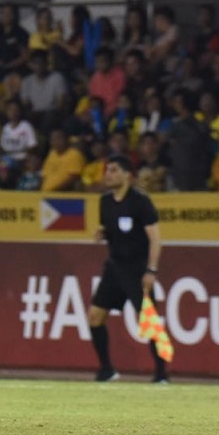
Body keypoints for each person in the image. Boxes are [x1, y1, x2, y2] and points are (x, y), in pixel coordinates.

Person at [88, 155, 168, 384]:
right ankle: (106, 370)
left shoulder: (140, 201)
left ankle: (161, 375)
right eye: (107, 170)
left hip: (137, 269)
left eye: (113, 170)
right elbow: (111, 230)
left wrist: (151, 270)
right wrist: (104, 234)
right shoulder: (104, 201)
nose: (108, 174)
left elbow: (155, 238)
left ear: (127, 175)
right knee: (95, 316)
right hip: (114, 267)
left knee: (149, 320)